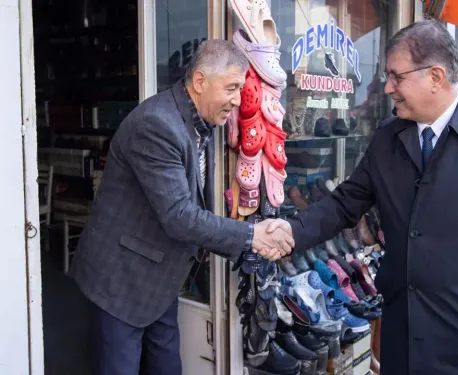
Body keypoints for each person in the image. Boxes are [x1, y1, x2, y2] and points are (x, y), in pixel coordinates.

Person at [269, 20, 458, 374]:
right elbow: (345, 202)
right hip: (403, 337)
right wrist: (289, 232)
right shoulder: (388, 137)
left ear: (436, 77)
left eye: (397, 76)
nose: (389, 87)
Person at [69, 40, 293, 375]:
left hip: (160, 276)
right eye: (231, 88)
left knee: (167, 366)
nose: (236, 100)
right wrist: (251, 236)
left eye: (240, 89)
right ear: (200, 81)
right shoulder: (157, 125)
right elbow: (179, 217)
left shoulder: (200, 122)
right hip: (121, 281)